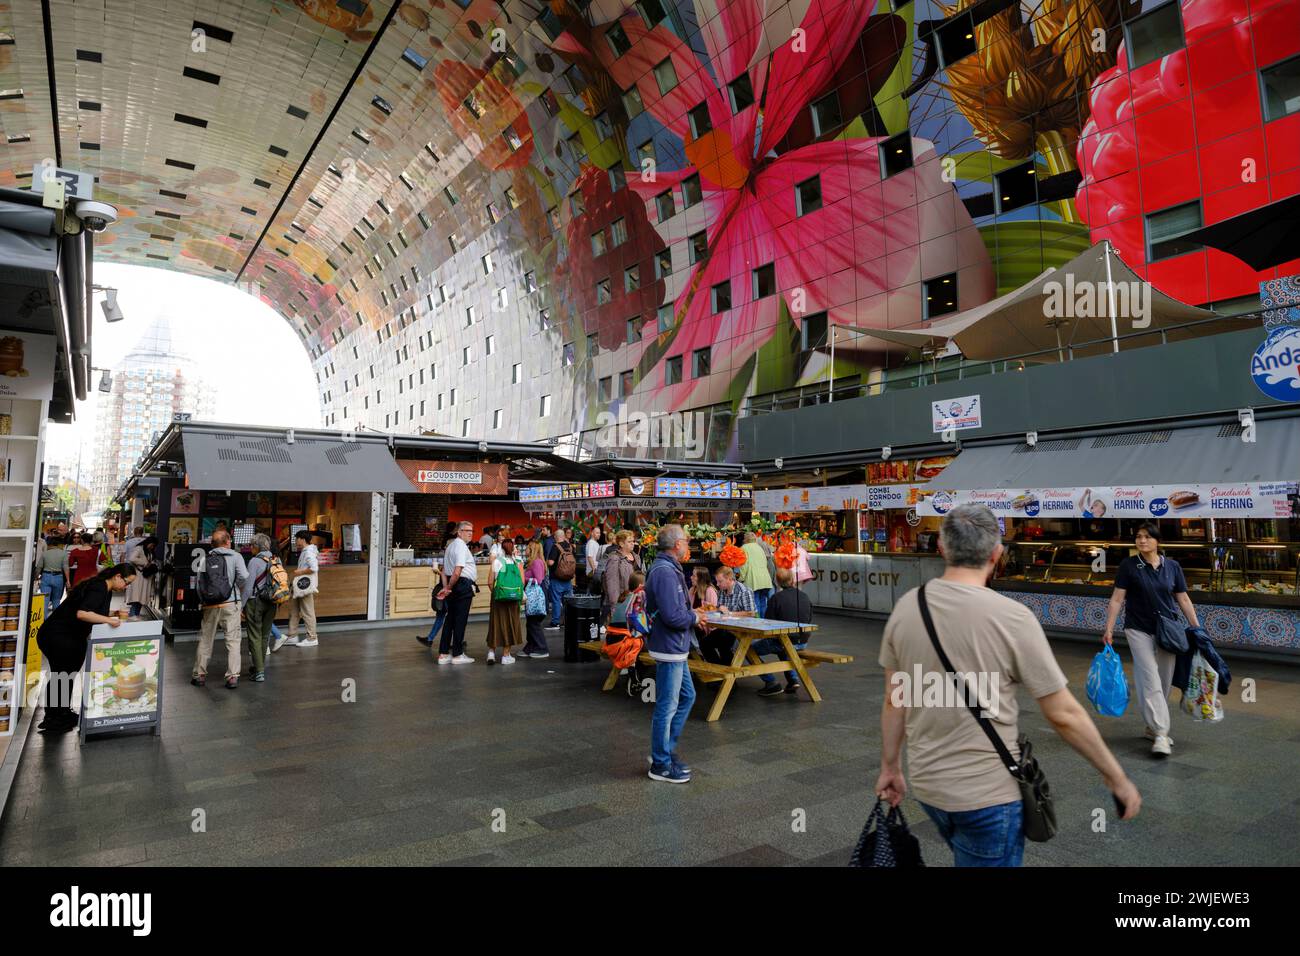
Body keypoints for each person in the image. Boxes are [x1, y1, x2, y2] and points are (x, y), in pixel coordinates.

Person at [876, 503, 1141, 867]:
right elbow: (1062, 713)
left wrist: (890, 768)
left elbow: (895, 699)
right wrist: (1117, 778)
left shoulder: (906, 608)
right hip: (989, 795)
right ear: (997, 554)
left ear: (941, 548)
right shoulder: (1012, 618)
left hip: (928, 788)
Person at [1102, 521, 1202, 757]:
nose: (1142, 540)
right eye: (1138, 536)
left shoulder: (1172, 567)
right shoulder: (1129, 566)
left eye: (1147, 537)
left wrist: (1197, 628)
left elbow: (1183, 599)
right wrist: (1108, 628)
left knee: (1164, 681)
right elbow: (1117, 599)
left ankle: (1151, 725)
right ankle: (1161, 733)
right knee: (1150, 679)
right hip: (1137, 628)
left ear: (1158, 541)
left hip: (1168, 629)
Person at [35, 564, 138, 734]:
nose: (126, 587)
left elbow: (91, 609)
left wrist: (112, 614)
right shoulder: (99, 587)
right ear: (118, 576)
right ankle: (54, 718)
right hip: (59, 636)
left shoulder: (104, 587)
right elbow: (82, 613)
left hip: (64, 635)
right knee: (62, 675)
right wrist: (109, 620)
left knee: (64, 675)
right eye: (127, 582)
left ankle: (61, 713)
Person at [645, 525, 707, 784]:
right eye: (686, 540)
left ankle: (665, 750)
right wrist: (694, 616)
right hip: (670, 646)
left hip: (674, 646)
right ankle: (660, 763)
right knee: (667, 705)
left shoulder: (667, 569)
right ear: (675, 544)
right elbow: (673, 616)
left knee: (687, 696)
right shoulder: (666, 573)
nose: (689, 544)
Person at [191, 529, 250, 690]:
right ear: (228, 541)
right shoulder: (236, 556)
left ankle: (199, 675)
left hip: (210, 605)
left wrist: (204, 600)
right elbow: (245, 576)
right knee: (233, 641)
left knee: (205, 639)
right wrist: (234, 586)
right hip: (230, 604)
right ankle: (232, 677)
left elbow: (198, 583)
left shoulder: (205, 558)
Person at [755, 567, 814, 697]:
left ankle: (771, 682)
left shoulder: (776, 598)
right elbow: (809, 618)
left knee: (749, 650)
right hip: (803, 641)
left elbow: (768, 623)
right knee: (784, 644)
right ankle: (793, 680)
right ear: (793, 580)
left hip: (784, 641)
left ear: (777, 581)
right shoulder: (804, 596)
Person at [435, 521, 477, 664]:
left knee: (450, 619)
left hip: (454, 585)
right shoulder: (460, 546)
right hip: (462, 585)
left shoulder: (451, 546)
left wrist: (447, 587)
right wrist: (448, 587)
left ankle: (443, 654)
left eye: (472, 530)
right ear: (459, 532)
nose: (470, 533)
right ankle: (458, 655)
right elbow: (457, 571)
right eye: (467, 530)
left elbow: (444, 571)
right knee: (460, 620)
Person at [699, 566, 755, 665]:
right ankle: (719, 671)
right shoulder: (722, 591)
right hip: (726, 628)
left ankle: (727, 675)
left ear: (729, 579)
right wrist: (711, 609)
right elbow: (721, 610)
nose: (717, 584)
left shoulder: (744, 591)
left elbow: (751, 613)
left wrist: (730, 613)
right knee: (704, 643)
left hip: (740, 630)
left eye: (720, 581)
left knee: (723, 645)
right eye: (717, 581)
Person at [242, 534, 277, 682]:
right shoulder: (276, 559)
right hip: (272, 602)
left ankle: (259, 671)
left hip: (255, 602)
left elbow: (248, 588)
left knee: (254, 636)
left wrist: (241, 606)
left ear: (256, 547)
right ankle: (259, 667)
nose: (250, 548)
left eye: (252, 546)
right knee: (264, 635)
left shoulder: (254, 561)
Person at [278, 530, 320, 649]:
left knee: (307, 612)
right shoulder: (306, 551)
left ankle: (312, 638)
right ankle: (292, 636)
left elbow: (314, 568)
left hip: (305, 587)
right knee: (294, 611)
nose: (296, 541)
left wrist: (299, 572)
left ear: (302, 539)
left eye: (296, 539)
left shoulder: (308, 552)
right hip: (300, 586)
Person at [485, 538, 524, 665]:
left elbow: (490, 582)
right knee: (511, 625)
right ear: (513, 549)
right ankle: (506, 656)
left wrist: (497, 594)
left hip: (498, 599)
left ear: (501, 549)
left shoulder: (497, 561)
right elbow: (522, 582)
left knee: (495, 624)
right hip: (513, 599)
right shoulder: (518, 561)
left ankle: (491, 653)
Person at [520, 540, 550, 659]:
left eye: (527, 548)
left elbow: (538, 580)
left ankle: (542, 648)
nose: (525, 550)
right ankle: (531, 647)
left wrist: (523, 578)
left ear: (531, 550)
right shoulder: (535, 562)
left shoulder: (536, 562)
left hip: (536, 597)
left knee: (534, 623)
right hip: (536, 596)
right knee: (531, 623)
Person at [601, 530, 637, 623]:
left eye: (633, 541)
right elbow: (612, 584)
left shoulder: (637, 557)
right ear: (621, 543)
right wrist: (615, 606)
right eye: (629, 542)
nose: (633, 544)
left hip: (636, 601)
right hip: (622, 602)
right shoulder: (615, 559)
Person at [738, 531, 775, 616]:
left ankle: (758, 625)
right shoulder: (759, 548)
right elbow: (765, 562)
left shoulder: (743, 548)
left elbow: (743, 565)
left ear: (745, 540)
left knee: (755, 603)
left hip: (753, 580)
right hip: (765, 580)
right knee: (763, 602)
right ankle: (763, 623)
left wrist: (741, 578)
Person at [546, 528, 577, 627]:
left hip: (557, 578)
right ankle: (569, 620)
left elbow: (551, 562)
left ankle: (555, 622)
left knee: (556, 601)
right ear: (563, 536)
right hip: (568, 579)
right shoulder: (570, 546)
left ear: (555, 537)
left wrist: (547, 561)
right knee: (568, 601)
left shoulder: (555, 547)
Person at [123, 536, 157, 617]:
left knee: (140, 600)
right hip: (138, 577)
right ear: (148, 542)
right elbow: (132, 558)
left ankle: (135, 616)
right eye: (151, 545)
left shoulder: (149, 551)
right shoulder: (139, 548)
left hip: (145, 577)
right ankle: (132, 617)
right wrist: (145, 563)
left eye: (153, 546)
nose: (152, 547)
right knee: (136, 599)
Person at [38, 534, 70, 612]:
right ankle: (54, 620)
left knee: (45, 600)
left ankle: (44, 620)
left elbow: (39, 567)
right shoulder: (64, 553)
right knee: (56, 600)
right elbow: (66, 567)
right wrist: (68, 580)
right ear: (59, 544)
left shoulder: (45, 553)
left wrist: (36, 577)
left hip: (46, 576)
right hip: (58, 577)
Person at [584, 524, 604, 590]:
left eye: (599, 533)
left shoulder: (595, 543)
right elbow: (590, 557)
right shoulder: (591, 543)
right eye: (597, 533)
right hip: (592, 572)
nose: (599, 534)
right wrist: (594, 569)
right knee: (593, 592)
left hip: (595, 571)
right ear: (592, 533)